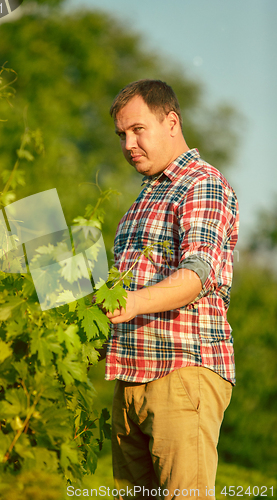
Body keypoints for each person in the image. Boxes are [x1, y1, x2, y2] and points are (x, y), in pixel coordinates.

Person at [104, 80, 239, 500]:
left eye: (138, 129)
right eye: (122, 135)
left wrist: (132, 302)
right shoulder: (140, 202)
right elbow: (117, 294)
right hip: (129, 377)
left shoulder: (202, 184)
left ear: (171, 122)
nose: (129, 144)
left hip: (182, 373)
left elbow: (197, 273)